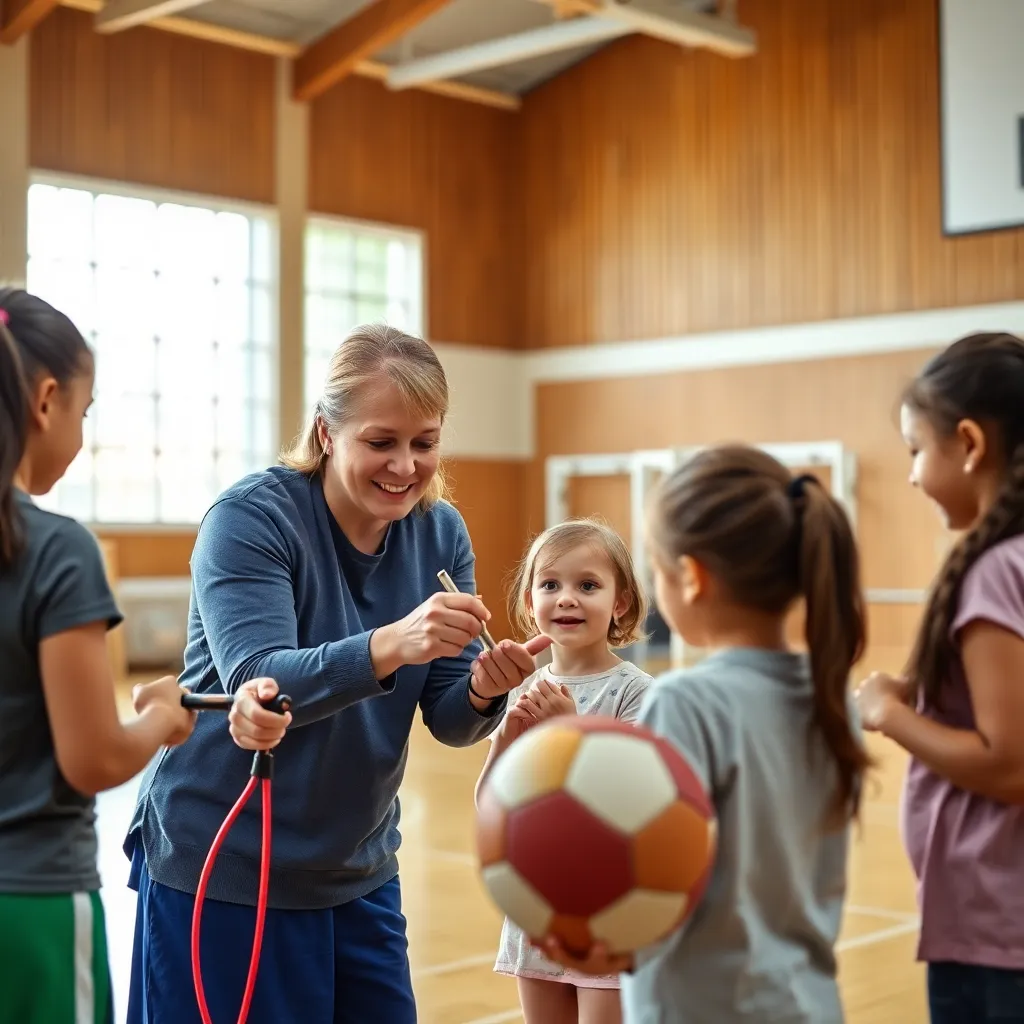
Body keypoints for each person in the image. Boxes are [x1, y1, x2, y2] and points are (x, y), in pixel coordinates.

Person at [124, 323, 551, 1024]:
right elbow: (259, 676)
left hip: (358, 872)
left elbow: (448, 715)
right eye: (380, 442)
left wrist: (483, 688)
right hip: (228, 869)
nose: (406, 466)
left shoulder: (441, 533)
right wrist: (390, 643)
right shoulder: (250, 520)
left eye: (425, 442)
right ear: (326, 432)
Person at [540, 444, 870, 1023]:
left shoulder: (685, 702)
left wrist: (603, 937)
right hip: (810, 1003)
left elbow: (652, 869)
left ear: (690, 578)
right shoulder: (833, 697)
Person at [0, 287, 200, 1024]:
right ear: (46, 399)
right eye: (84, 414)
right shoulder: (54, 549)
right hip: (32, 906)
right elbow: (92, 760)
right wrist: (161, 718)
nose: (80, 433)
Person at [854, 332, 1024, 1023]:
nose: (912, 475)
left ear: (970, 444)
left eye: (917, 451)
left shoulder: (996, 572)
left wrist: (887, 713)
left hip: (995, 932)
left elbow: (1007, 765)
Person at [476, 518, 653, 1024]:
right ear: (530, 603)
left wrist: (569, 732)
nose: (567, 598)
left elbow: (626, 811)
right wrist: (507, 736)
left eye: (588, 585)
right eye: (550, 584)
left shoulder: (636, 693)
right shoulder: (521, 691)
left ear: (619, 603)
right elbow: (490, 808)